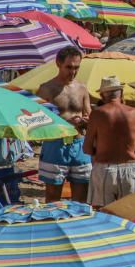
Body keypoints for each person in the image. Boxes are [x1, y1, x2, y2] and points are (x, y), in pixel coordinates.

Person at [83, 76, 135, 208]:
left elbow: (86, 149)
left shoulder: (97, 114)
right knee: (129, 213)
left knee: (102, 213)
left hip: (104, 169)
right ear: (121, 93)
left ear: (102, 95)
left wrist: (99, 149)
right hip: (129, 169)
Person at [37, 47, 92, 203]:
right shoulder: (46, 89)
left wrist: (87, 120)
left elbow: (89, 114)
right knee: (53, 198)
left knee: (81, 198)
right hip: (55, 144)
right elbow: (38, 121)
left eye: (76, 67)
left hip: (79, 144)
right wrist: (66, 123)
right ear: (58, 64)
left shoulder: (82, 88)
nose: (73, 72)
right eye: (69, 67)